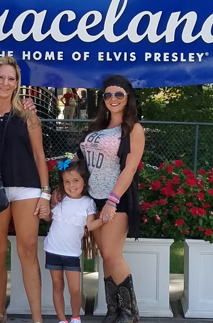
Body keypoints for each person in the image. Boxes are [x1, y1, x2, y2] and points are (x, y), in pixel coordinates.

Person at [0, 56, 51, 323]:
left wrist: (45, 193)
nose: (5, 83)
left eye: (11, 78)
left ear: (17, 83)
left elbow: (39, 155)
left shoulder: (28, 114)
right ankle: (0, 310)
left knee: (27, 250)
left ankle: (37, 317)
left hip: (26, 188)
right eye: (1, 77)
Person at [79, 75, 145, 323]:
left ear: (128, 98)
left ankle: (131, 312)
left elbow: (130, 168)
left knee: (111, 254)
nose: (113, 99)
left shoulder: (133, 129)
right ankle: (114, 309)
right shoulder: (98, 127)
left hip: (115, 199)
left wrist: (112, 201)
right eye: (108, 94)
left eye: (119, 94)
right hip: (92, 197)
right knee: (105, 255)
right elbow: (82, 160)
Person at [43, 158, 103, 323]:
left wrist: (103, 219)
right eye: (67, 182)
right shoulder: (59, 198)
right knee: (57, 286)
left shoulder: (88, 203)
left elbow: (90, 225)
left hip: (72, 254)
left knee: (75, 289)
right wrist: (44, 211)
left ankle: (75, 318)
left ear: (84, 181)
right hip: (53, 250)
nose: (71, 185)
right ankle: (62, 320)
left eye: (76, 180)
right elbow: (49, 218)